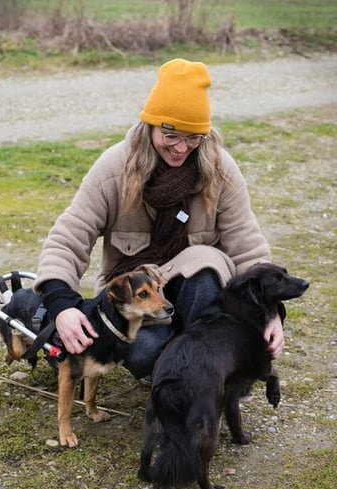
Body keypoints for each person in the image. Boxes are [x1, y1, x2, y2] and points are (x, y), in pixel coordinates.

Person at [34, 58, 284, 379]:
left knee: (206, 265)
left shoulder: (220, 171)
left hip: (198, 298)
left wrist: (269, 312)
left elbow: (247, 248)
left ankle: (200, 373)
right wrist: (63, 306)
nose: (181, 148)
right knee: (143, 353)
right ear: (151, 125)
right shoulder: (114, 168)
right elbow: (67, 240)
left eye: (193, 137)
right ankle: (176, 361)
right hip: (137, 298)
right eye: (170, 135)